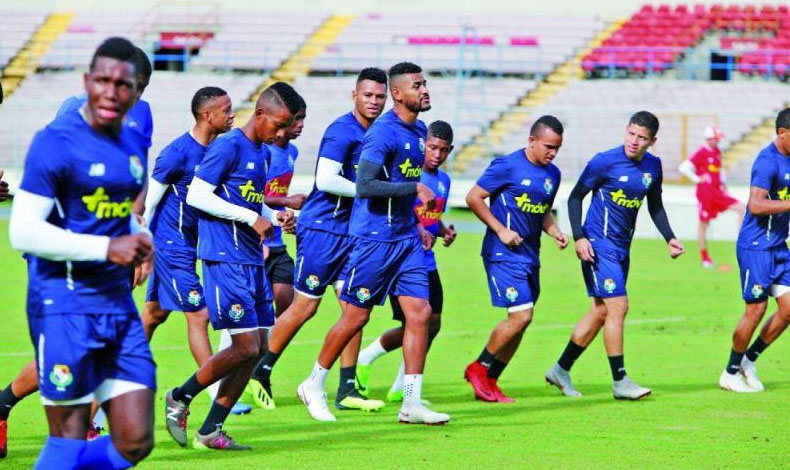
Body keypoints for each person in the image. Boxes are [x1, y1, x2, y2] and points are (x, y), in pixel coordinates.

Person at [9, 37, 156, 469]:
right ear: (87, 83)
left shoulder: (130, 141)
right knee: (69, 438)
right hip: (65, 303)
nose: (114, 93)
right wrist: (107, 247)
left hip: (116, 305)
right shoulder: (55, 142)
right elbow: (23, 231)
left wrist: (137, 237)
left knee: (135, 442)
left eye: (126, 85)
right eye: (103, 82)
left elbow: (114, 209)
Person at [295, 62, 451, 425]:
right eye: (417, 85)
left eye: (425, 83)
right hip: (374, 240)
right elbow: (366, 186)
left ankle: (411, 403)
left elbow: (400, 184)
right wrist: (414, 188)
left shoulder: (421, 130)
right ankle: (313, 384)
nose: (425, 89)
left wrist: (419, 222)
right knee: (356, 316)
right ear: (398, 93)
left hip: (406, 239)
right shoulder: (383, 133)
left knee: (421, 315)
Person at [163, 82, 298, 451]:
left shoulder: (262, 152)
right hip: (225, 257)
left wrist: (277, 214)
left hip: (251, 259)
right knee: (242, 347)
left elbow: (248, 200)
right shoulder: (228, 145)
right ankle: (180, 396)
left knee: (254, 350)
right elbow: (198, 195)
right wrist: (250, 219)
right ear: (260, 114)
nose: (282, 132)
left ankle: (210, 431)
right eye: (279, 124)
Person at [247, 68, 389, 413]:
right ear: (354, 96)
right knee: (306, 306)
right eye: (368, 95)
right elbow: (325, 180)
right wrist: (368, 191)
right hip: (324, 231)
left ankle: (347, 387)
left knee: (355, 311)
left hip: (352, 233)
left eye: (379, 96)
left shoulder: (380, 133)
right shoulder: (343, 131)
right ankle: (260, 371)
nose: (374, 101)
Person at [545, 111, 685, 400]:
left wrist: (670, 237)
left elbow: (655, 206)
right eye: (631, 134)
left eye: (642, 138)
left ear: (652, 141)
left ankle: (561, 368)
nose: (634, 141)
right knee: (618, 307)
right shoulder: (604, 161)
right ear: (625, 131)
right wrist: (580, 236)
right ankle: (620, 381)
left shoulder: (652, 167)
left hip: (622, 248)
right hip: (598, 245)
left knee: (600, 311)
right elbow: (574, 198)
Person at [140, 87, 253, 416]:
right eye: (227, 110)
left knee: (154, 315)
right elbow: (150, 200)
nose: (232, 115)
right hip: (170, 244)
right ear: (208, 115)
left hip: (194, 244)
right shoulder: (177, 152)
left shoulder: (220, 149)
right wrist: (141, 245)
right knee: (199, 314)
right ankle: (214, 391)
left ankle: (117, 376)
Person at [463, 116, 567, 403]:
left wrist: (554, 230)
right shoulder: (506, 165)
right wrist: (500, 229)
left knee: (522, 321)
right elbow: (473, 197)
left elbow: (541, 210)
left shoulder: (552, 174)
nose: (553, 153)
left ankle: (491, 380)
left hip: (530, 256)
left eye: (557, 148)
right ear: (531, 141)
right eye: (548, 146)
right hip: (502, 254)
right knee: (522, 315)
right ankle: (478, 368)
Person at [356, 120, 458, 403]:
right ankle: (367, 356)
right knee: (415, 323)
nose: (437, 155)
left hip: (428, 261)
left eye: (444, 150)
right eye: (433, 147)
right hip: (402, 259)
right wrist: (417, 228)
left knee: (432, 323)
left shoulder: (443, 181)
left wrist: (444, 229)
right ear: (423, 145)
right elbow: (401, 213)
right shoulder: (408, 176)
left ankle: (402, 384)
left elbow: (431, 216)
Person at [718, 108, 790, 393]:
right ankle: (730, 372)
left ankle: (750, 359)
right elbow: (756, 205)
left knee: (788, 310)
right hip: (756, 247)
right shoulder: (766, 161)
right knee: (756, 309)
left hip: (779, 248)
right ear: (782, 133)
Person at [262, 96, 308, 318]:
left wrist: (289, 213)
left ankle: (264, 352)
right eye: (296, 119)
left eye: (303, 119)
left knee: (287, 306)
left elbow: (276, 192)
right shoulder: (263, 152)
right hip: (256, 240)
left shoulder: (293, 152)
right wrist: (287, 202)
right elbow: (251, 198)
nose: (300, 125)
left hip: (277, 241)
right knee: (249, 312)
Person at [678, 125, 745, 268]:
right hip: (706, 194)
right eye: (716, 139)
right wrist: (697, 179)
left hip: (718, 192)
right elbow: (683, 167)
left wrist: (725, 187)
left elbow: (719, 171)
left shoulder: (717, 151)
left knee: (742, 208)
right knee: (704, 224)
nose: (718, 141)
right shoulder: (701, 152)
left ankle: (742, 243)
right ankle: (705, 258)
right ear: (710, 139)